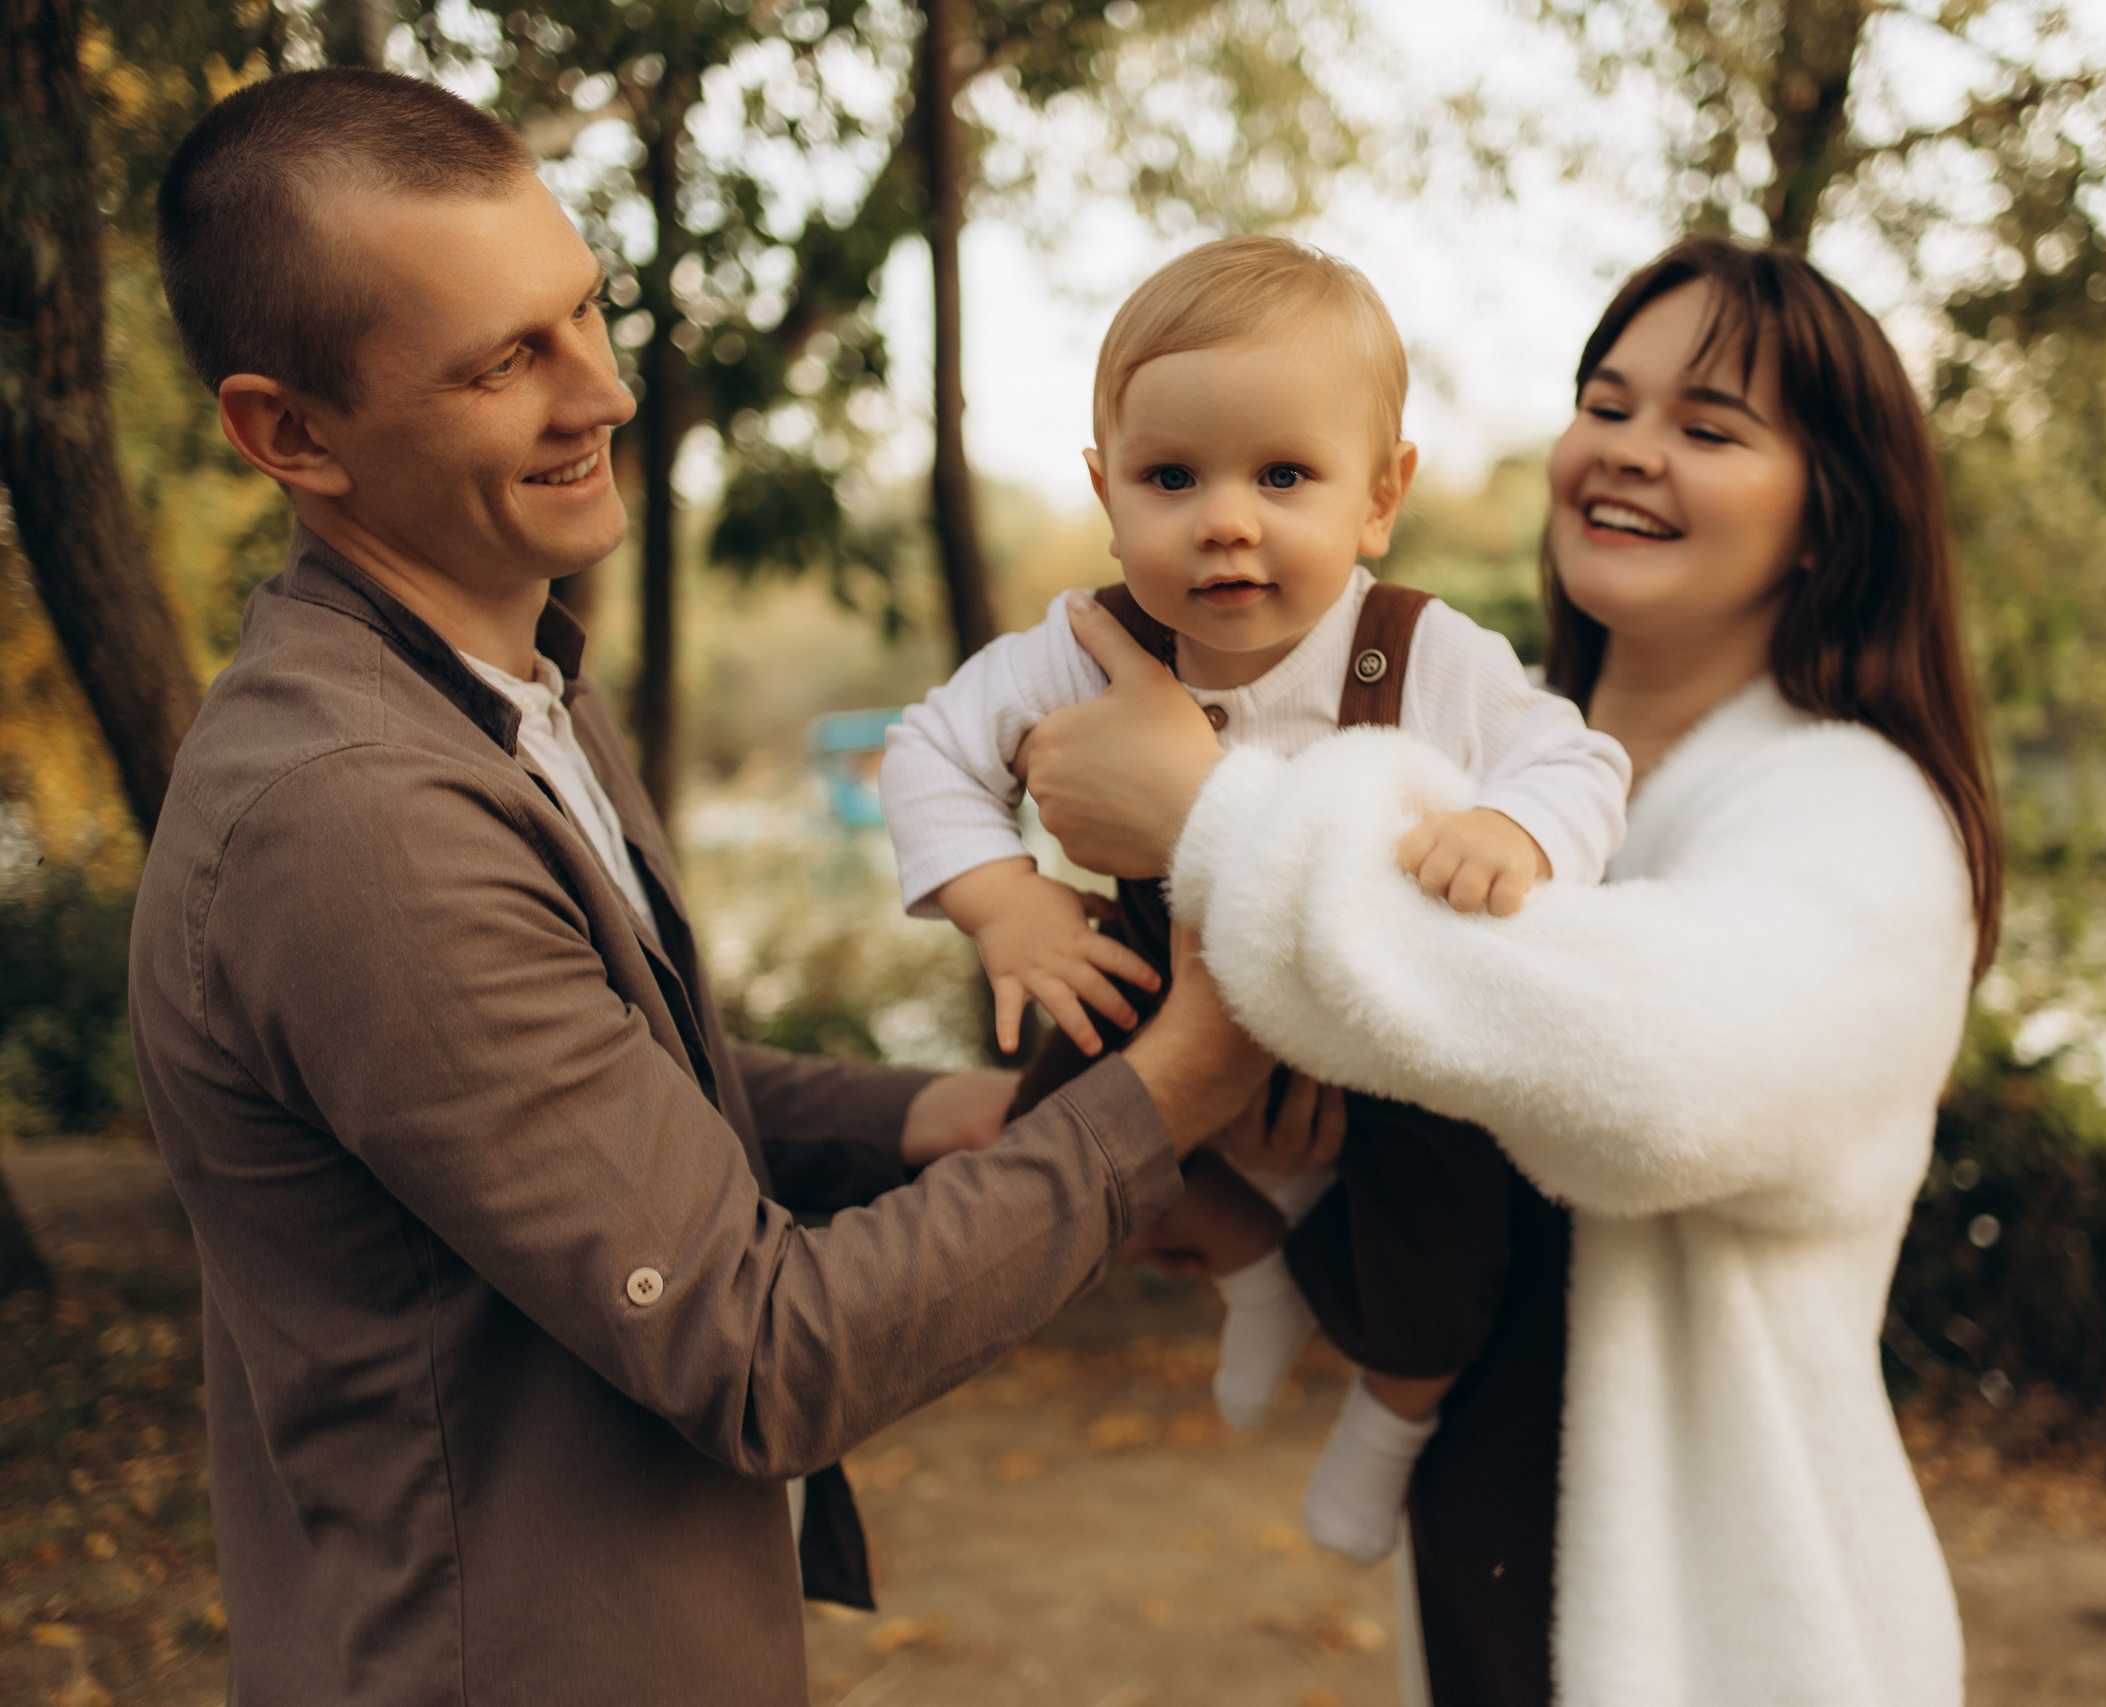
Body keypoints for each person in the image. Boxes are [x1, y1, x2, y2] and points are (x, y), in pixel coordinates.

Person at [126, 69, 1271, 1707]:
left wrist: (935, 1121)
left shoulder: (506, 680)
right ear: (286, 433)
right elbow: (755, 1350)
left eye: (586, 311)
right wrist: (1176, 1091)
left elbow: (629, 1102)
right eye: (506, 359)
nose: (600, 389)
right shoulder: (357, 821)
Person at [1015, 234, 2004, 1706]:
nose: (1628, 454)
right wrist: (1303, 1144)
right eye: (1607, 405)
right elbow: (1455, 1068)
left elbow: (1661, 1072)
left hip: (1734, 1631)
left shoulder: (1857, 811)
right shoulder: (1486, 756)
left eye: (1707, 427)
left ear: (1826, 517)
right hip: (1490, 1564)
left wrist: (1212, 819)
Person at [877, 235, 1631, 1563]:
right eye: (1173, 478)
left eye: (1285, 475)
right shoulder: (1085, 647)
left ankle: (1389, 1420)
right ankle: (1250, 1262)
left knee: (1452, 1241)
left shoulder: (1423, 650)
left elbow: (1576, 760)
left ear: (1379, 496)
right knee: (1054, 1149)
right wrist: (1009, 900)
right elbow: (930, 749)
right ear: (1109, 494)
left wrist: (1516, 826)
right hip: (1174, 992)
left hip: (1379, 1028)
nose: (1227, 518)